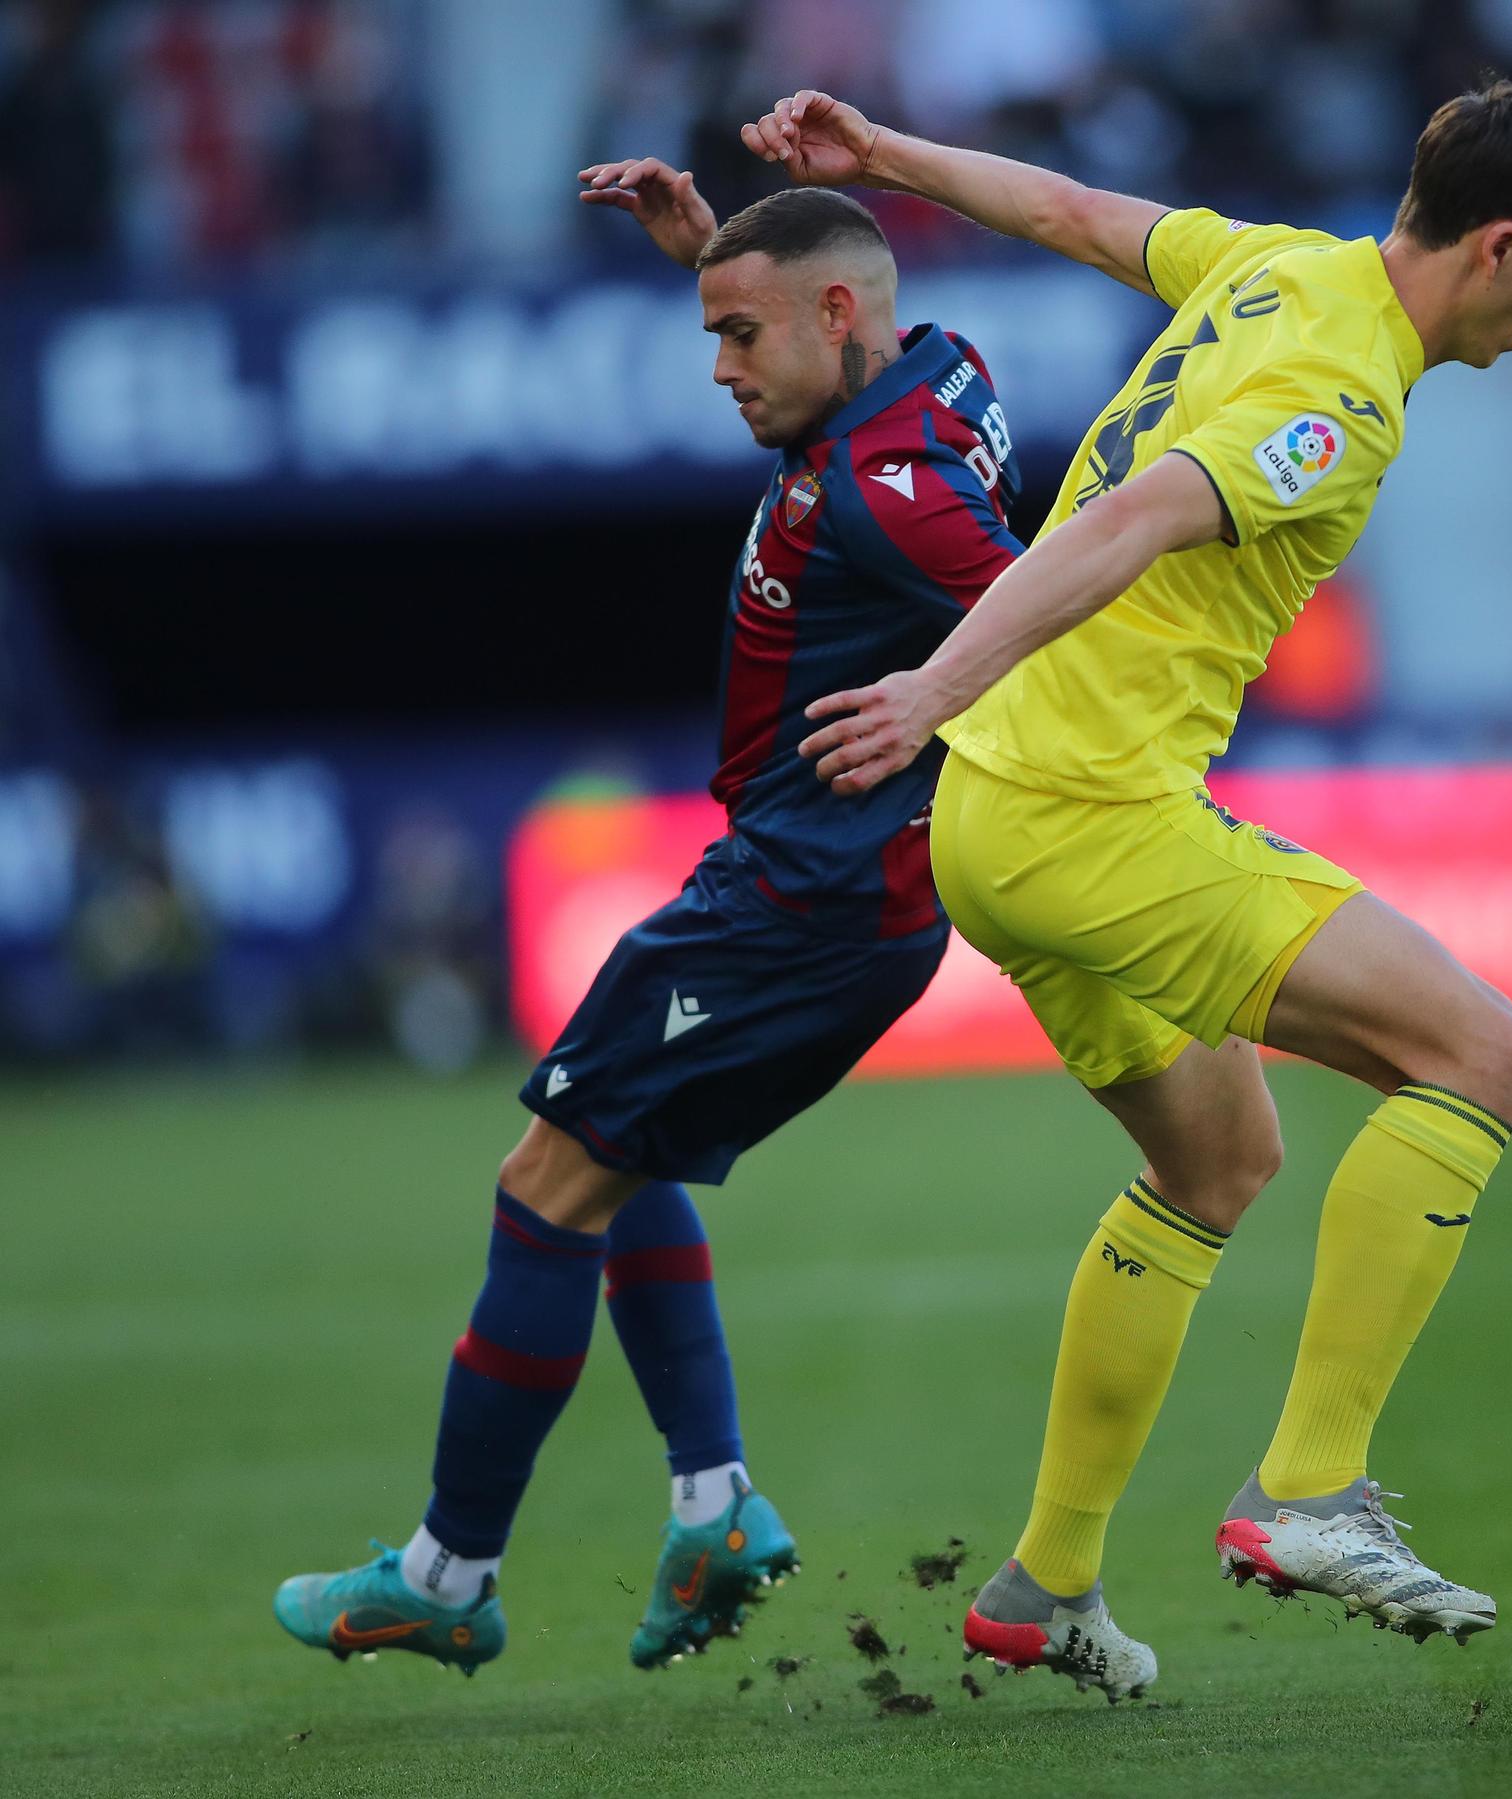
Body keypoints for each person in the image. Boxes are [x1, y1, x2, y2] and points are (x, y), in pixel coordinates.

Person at [743, 78, 1512, 1700]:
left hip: (998, 820)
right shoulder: (1345, 388)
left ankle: (1047, 1585)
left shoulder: (1281, 265)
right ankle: (1311, 1491)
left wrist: (885, 156)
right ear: (1500, 243)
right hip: (1088, 811)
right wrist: (940, 681)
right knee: (1485, 1055)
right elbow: (1154, 514)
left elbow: (1075, 213)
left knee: (1220, 1164)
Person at [273, 162, 1023, 1676]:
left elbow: (1043, 604)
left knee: (545, 1184)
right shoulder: (936, 373)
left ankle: (450, 1571)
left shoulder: (891, 493)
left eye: (738, 336)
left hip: (800, 902)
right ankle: (713, 1505)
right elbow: (852, 346)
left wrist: (944, 697)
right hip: (808, 891)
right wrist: (721, 254)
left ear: (831, 318)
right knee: (615, 1143)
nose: (719, 370)